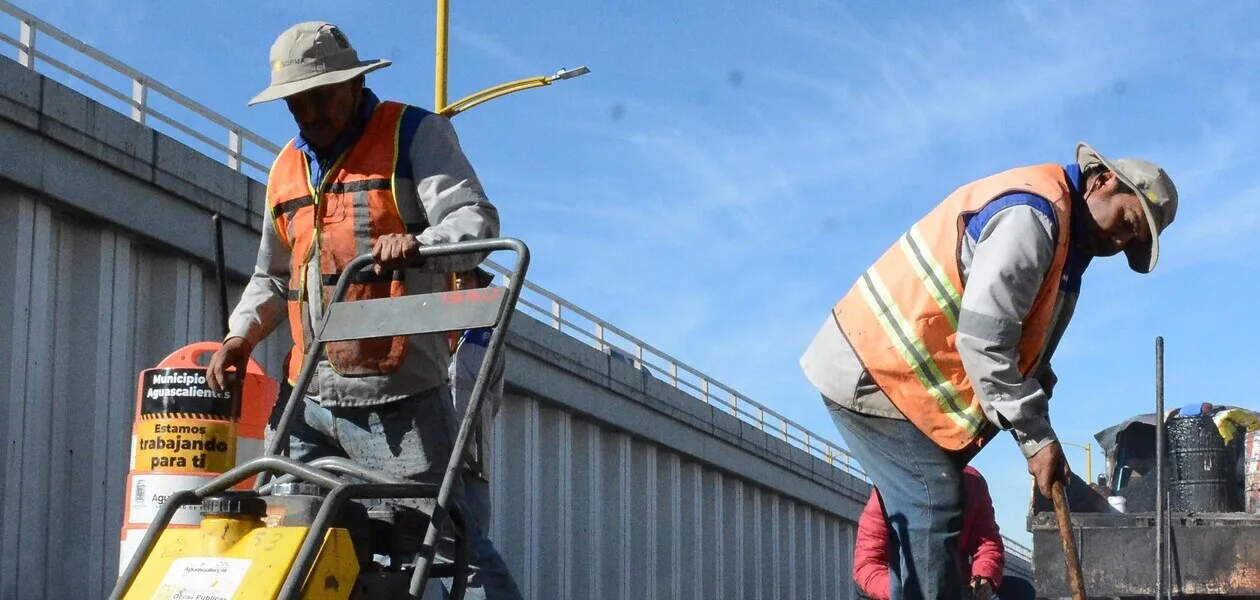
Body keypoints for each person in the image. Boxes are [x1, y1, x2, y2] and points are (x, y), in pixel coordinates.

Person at [205, 21, 522, 600]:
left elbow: (475, 224)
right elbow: (272, 278)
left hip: (396, 400)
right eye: (296, 102)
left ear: (352, 85)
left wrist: (420, 244)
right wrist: (240, 338)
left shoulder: (413, 133)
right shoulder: (283, 171)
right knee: (288, 535)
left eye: (320, 95)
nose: (309, 112)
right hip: (304, 399)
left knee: (448, 547)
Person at [801, 142, 1178, 600]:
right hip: (876, 369)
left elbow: (1023, 357)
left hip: (902, 385)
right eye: (1125, 223)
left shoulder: (1064, 255)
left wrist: (1040, 419)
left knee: (936, 512)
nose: (1118, 243)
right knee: (933, 501)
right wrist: (1036, 440)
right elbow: (985, 342)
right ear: (1103, 180)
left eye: (1130, 244)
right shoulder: (1033, 217)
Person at [855, 467, 1035, 600]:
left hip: (956, 588)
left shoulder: (972, 483)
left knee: (1021, 591)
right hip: (902, 589)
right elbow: (867, 564)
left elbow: (987, 544)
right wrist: (900, 591)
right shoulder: (887, 490)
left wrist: (984, 578)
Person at [447, 267, 507, 537]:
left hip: (473, 460)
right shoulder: (423, 325)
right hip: (428, 452)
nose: (460, 279)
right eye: (454, 274)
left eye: (468, 276)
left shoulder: (490, 337)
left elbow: (493, 399)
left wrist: (473, 425)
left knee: (474, 540)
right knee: (414, 538)